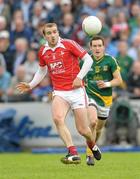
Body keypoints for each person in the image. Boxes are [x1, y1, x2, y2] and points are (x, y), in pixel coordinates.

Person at [16, 23, 101, 164]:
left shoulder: (69, 44)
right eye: (49, 33)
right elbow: (42, 70)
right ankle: (73, 152)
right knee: (57, 119)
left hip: (77, 91)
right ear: (44, 36)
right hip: (60, 91)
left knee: (83, 130)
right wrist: (31, 84)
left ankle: (92, 145)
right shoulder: (43, 51)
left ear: (58, 32)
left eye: (54, 32)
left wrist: (79, 77)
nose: (52, 35)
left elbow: (88, 60)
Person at [85, 36, 122, 166]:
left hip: (105, 100)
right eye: (94, 46)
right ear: (90, 48)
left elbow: (119, 80)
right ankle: (89, 155)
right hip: (90, 95)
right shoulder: (85, 61)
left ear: (103, 47)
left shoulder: (110, 60)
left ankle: (93, 146)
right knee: (92, 122)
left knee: (99, 128)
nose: (97, 48)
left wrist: (106, 84)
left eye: (99, 45)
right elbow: (78, 78)